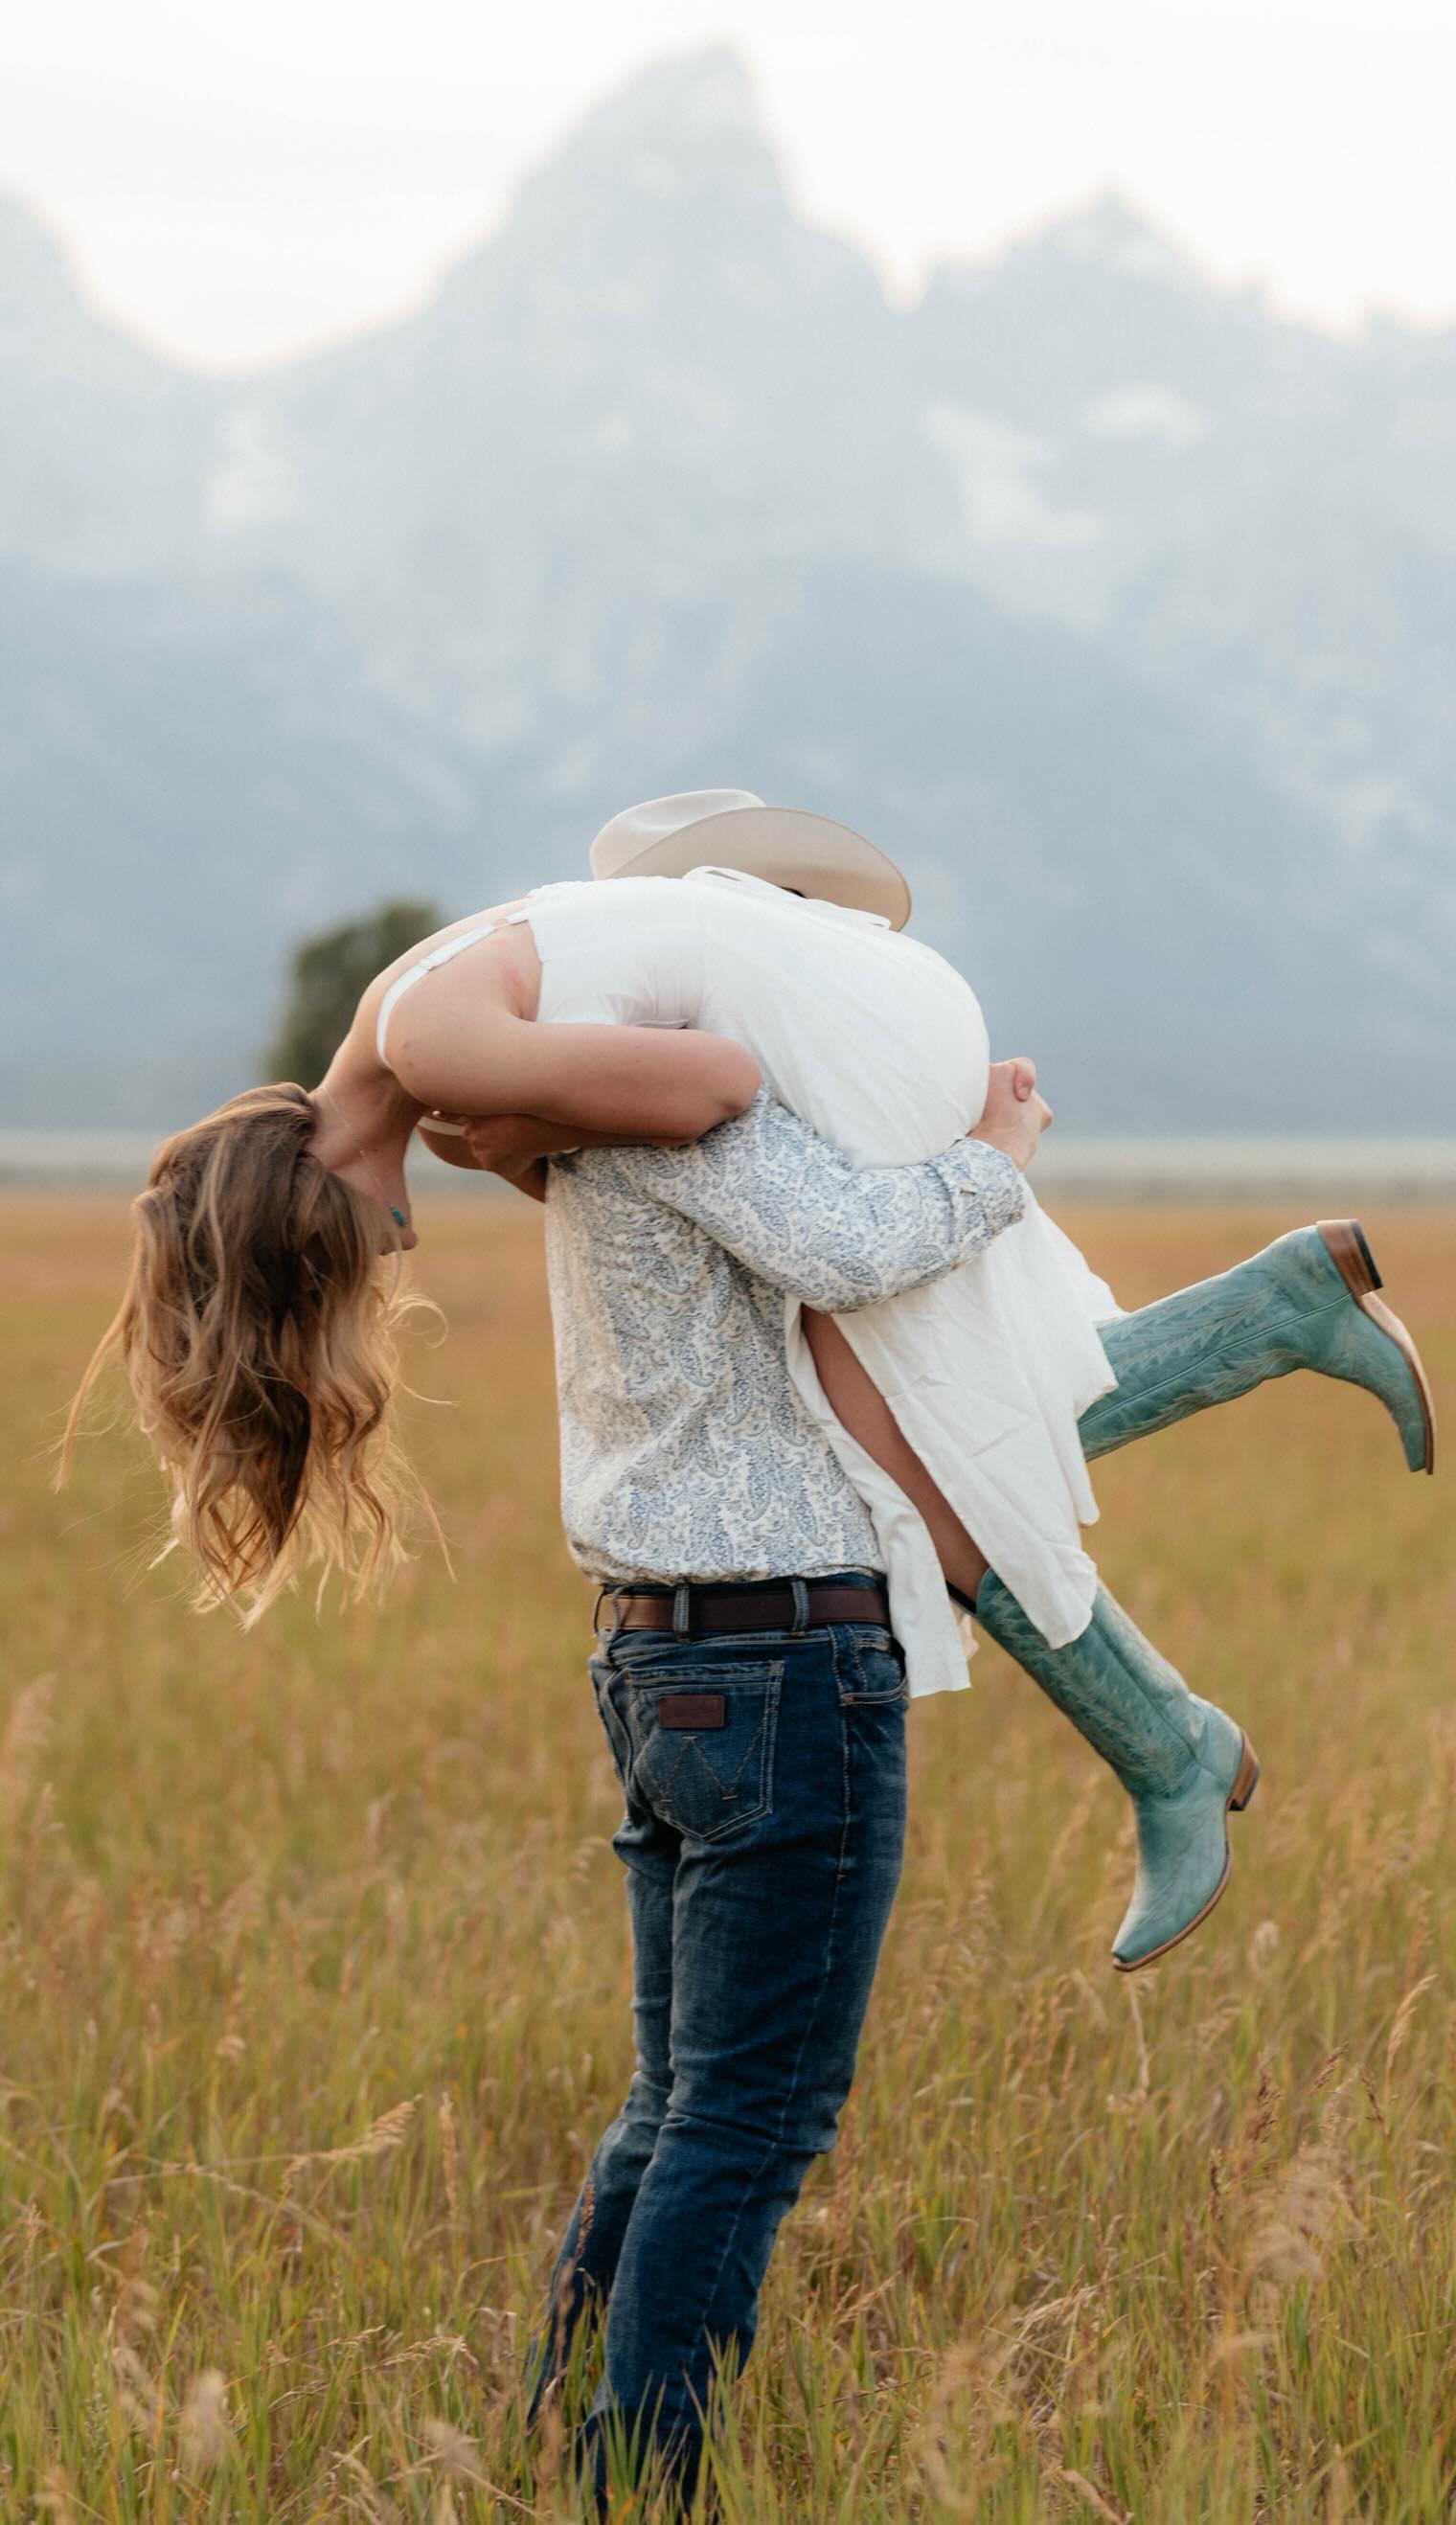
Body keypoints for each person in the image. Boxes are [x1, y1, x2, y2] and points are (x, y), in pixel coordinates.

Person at [58, 790, 1434, 1984]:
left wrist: (992, 1158)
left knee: (906, 1464)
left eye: (347, 1279)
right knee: (904, 1456)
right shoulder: (426, 1057)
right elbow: (617, 1116)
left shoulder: (433, 1056)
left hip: (850, 1042)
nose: (394, 1258)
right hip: (871, 1021)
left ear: (308, 1232)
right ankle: (1261, 1367)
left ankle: (1173, 1736)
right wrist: (514, 1141)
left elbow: (712, 1080)